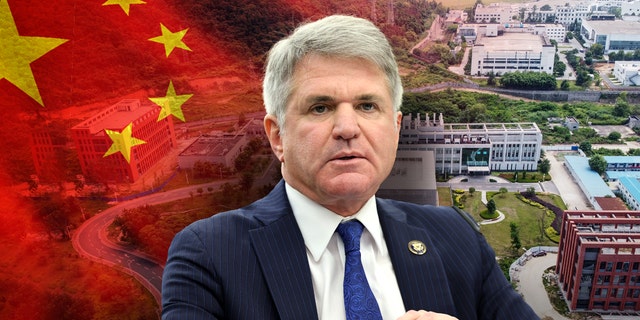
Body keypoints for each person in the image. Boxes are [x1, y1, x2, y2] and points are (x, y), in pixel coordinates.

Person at [161, 15, 539, 320]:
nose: (347, 128)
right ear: (277, 137)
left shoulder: (455, 236)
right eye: (320, 107)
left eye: (367, 106)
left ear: (394, 129)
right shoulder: (210, 254)